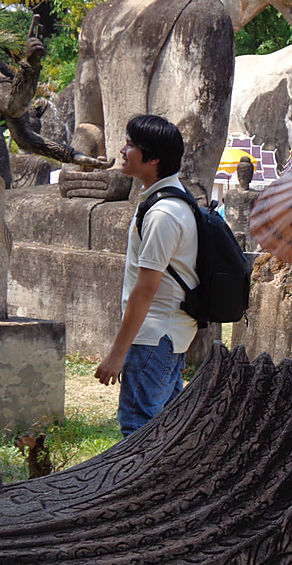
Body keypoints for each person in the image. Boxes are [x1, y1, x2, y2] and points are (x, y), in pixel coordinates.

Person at [94, 115, 199, 437]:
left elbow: (146, 290)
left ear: (153, 158)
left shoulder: (163, 214)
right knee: (163, 432)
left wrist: (117, 353)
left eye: (131, 145)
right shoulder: (170, 202)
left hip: (153, 335)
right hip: (166, 335)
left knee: (138, 430)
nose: (123, 150)